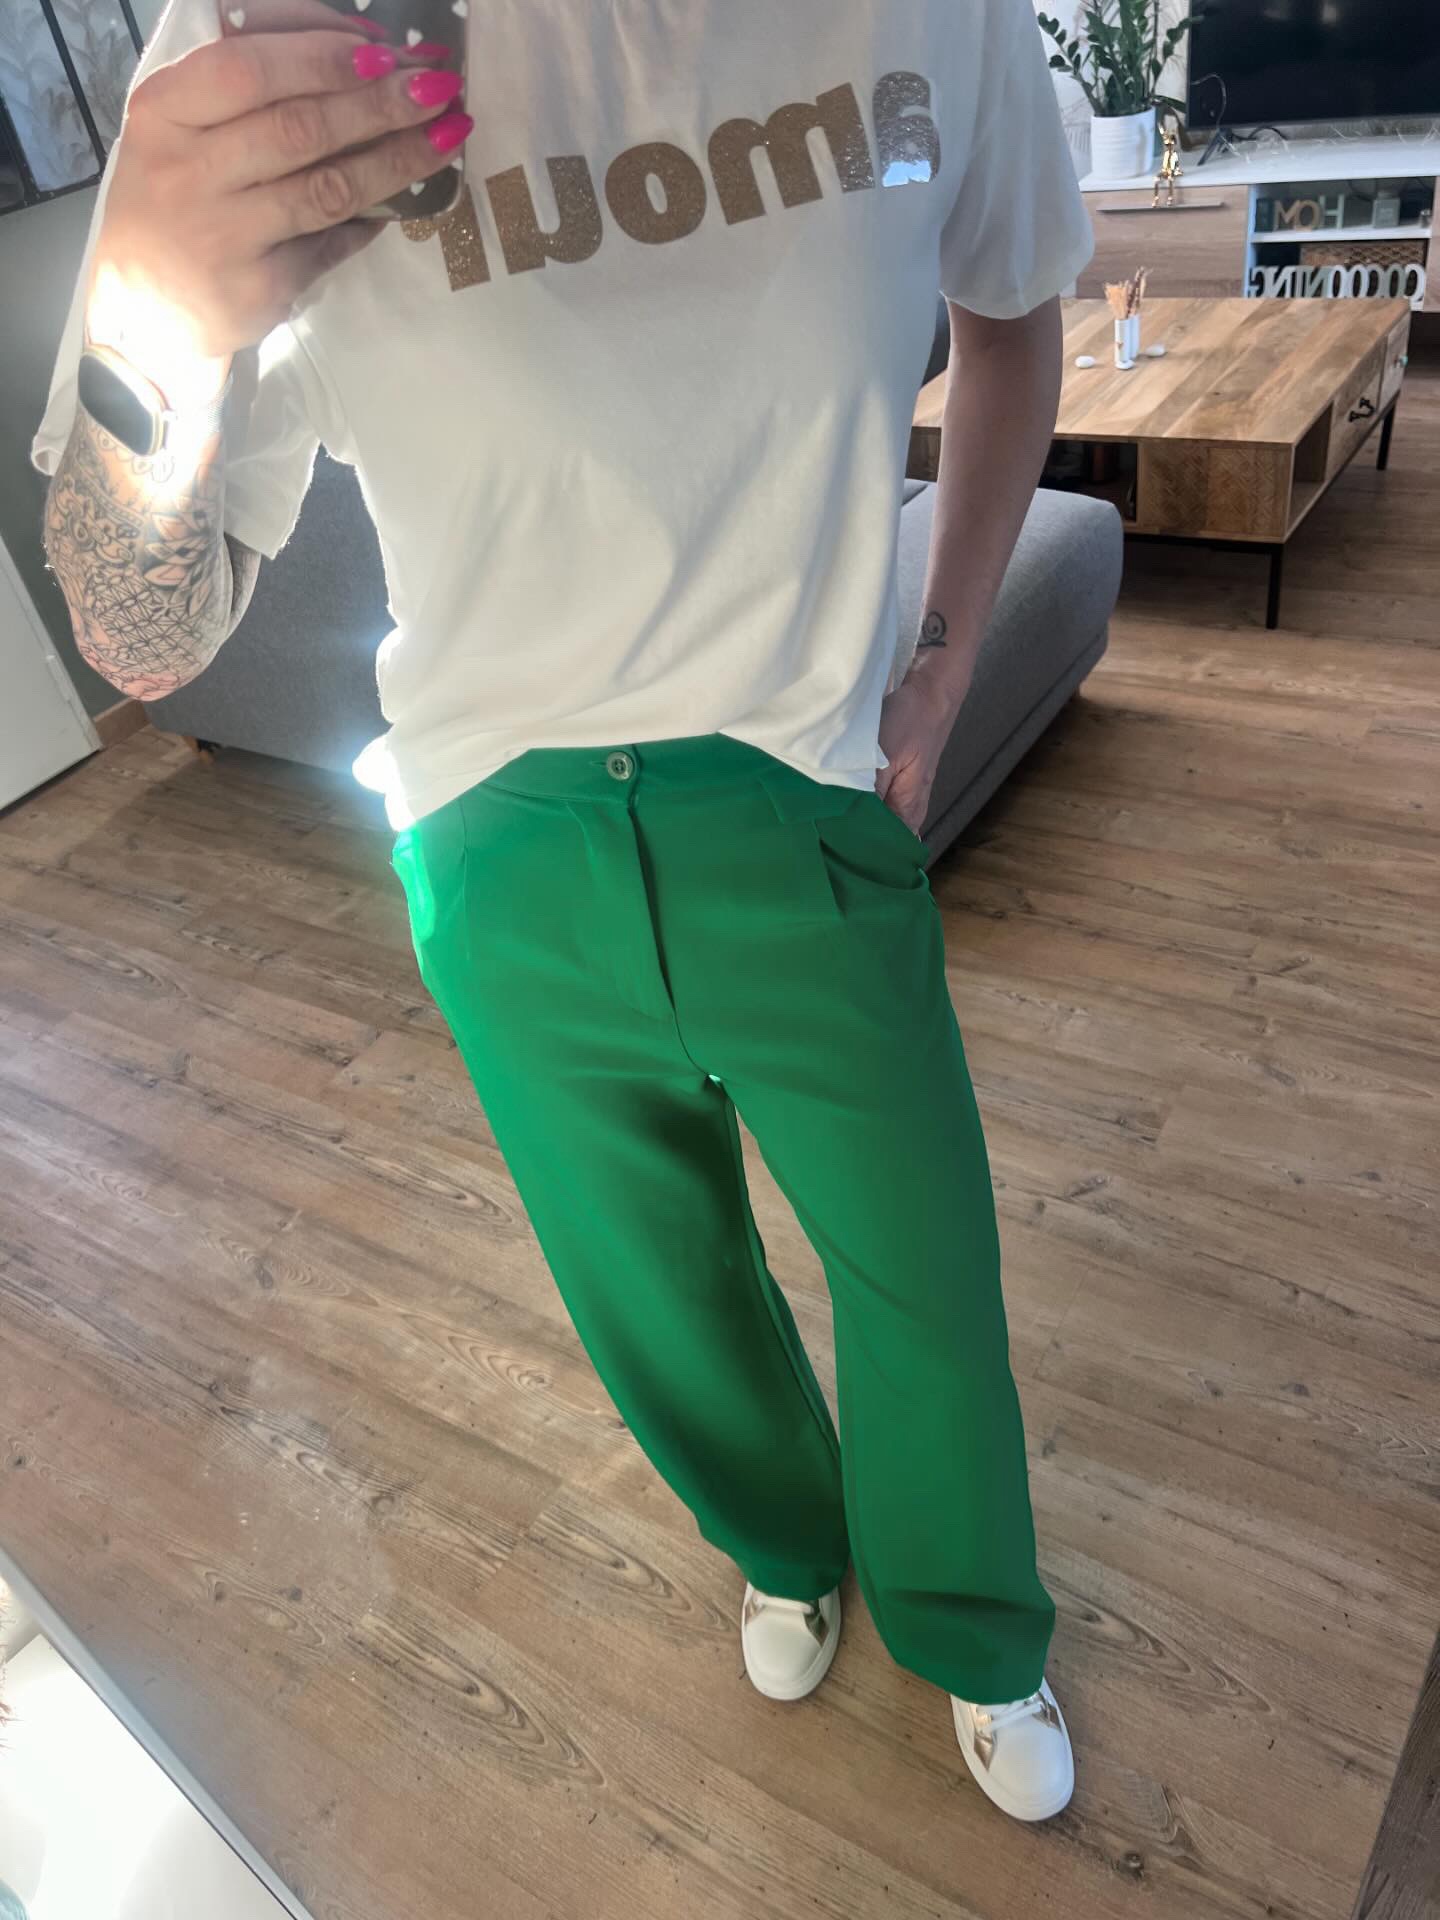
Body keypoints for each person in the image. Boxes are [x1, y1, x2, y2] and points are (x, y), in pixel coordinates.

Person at [35, 0, 1094, 1825]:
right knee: (649, 1292)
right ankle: (781, 1541)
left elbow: (1013, 318)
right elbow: (143, 634)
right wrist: (154, 327)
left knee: (925, 1274)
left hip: (805, 794)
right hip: (498, 835)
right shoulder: (264, 29)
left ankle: (975, 1630)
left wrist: (947, 653)